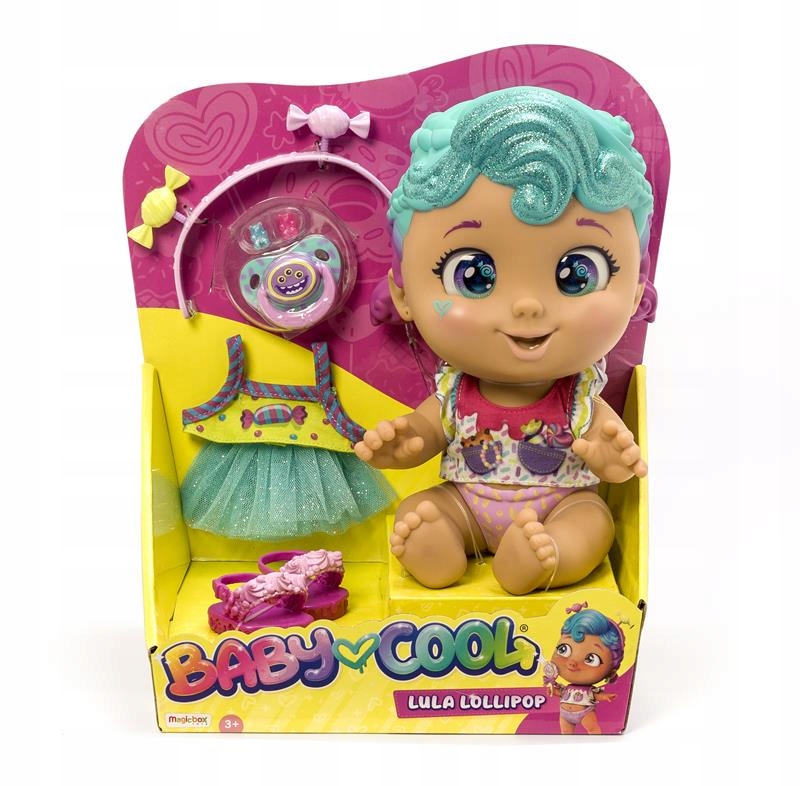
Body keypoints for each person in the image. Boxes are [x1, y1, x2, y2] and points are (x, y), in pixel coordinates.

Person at [356, 86, 653, 594]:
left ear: (635, 296)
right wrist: (405, 444)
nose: (527, 306)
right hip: (465, 504)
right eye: (473, 275)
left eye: (577, 274)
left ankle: (544, 558)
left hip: (562, 503)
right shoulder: (453, 391)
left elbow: (605, 451)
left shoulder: (579, 396)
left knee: (593, 520)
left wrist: (612, 461)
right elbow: (428, 431)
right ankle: (438, 549)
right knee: (421, 508)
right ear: (404, 296)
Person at [544, 608, 625, 734]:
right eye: (563, 649)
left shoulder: (589, 690)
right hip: (564, 714)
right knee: (565, 733)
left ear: (611, 672)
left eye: (591, 659)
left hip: (585, 712)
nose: (572, 662)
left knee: (593, 729)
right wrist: (552, 690)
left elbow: (595, 695)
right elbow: (561, 693)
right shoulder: (566, 688)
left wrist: (605, 696)